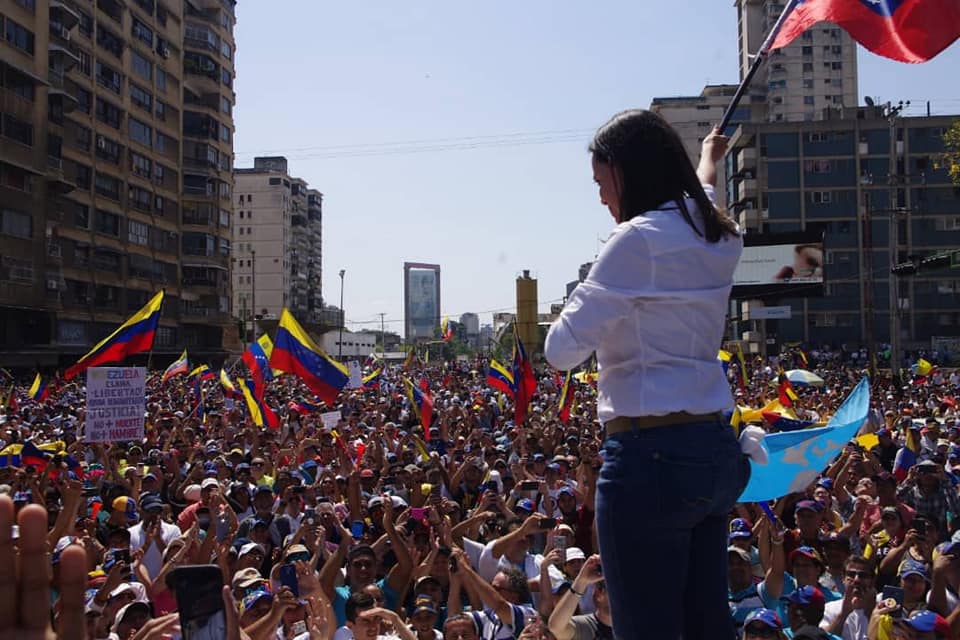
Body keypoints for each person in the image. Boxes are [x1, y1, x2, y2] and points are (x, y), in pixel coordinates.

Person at [544, 110, 747, 640]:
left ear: (627, 171)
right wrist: (709, 160)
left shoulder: (635, 241)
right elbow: (700, 196)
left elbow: (561, 350)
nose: (601, 198)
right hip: (712, 450)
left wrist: (592, 289)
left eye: (601, 181)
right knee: (707, 623)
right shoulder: (720, 235)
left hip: (649, 460)